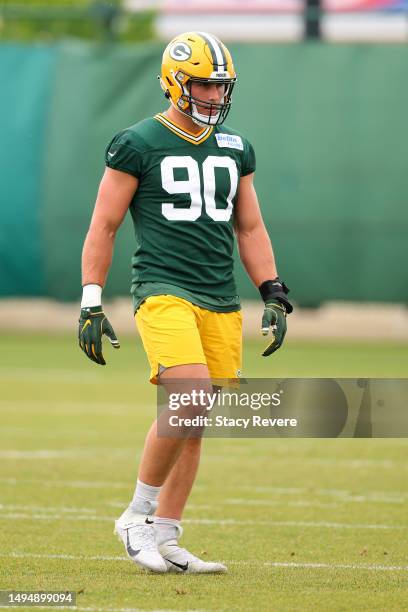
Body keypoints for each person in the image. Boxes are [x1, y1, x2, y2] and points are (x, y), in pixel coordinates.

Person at [78, 31, 293, 574]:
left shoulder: (235, 146)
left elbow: (250, 226)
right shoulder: (137, 142)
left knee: (195, 420)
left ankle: (167, 535)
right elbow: (104, 224)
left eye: (222, 87)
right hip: (163, 288)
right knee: (191, 394)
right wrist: (91, 300)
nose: (215, 97)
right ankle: (136, 516)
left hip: (220, 294)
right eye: (204, 84)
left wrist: (272, 289)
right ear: (175, 82)